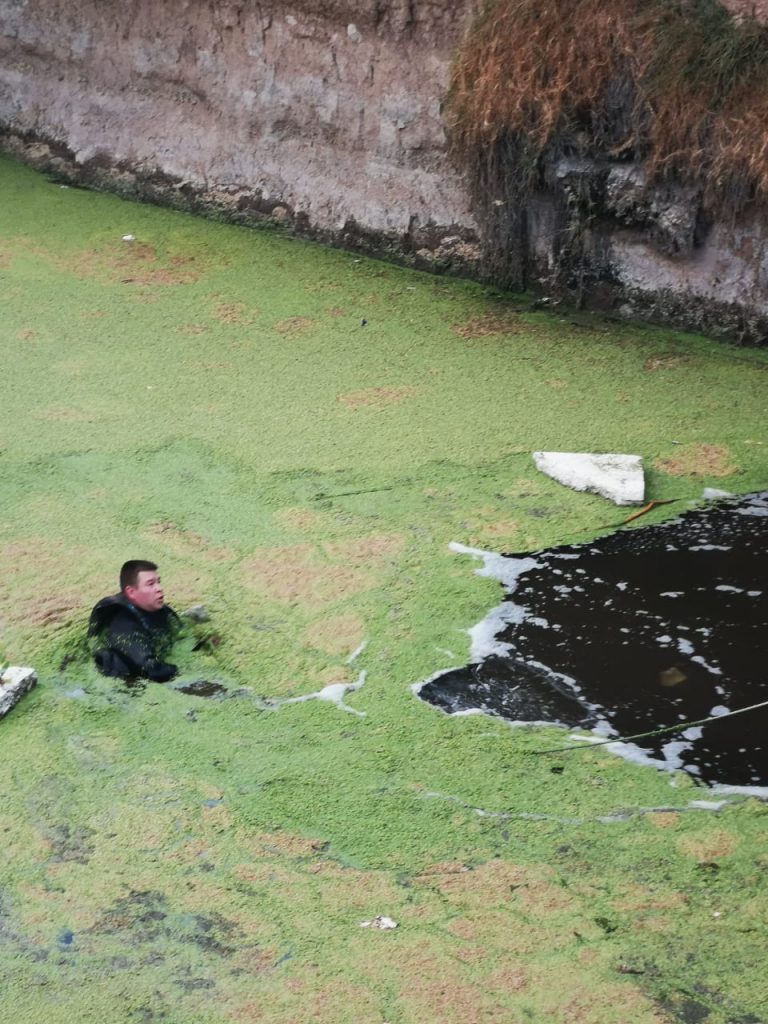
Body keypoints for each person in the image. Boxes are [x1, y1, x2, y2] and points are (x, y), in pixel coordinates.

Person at [88, 560, 181, 682]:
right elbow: (150, 670)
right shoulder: (123, 624)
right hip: (126, 682)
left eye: (159, 582)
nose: (159, 588)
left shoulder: (157, 610)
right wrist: (186, 671)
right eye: (150, 584)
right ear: (131, 592)